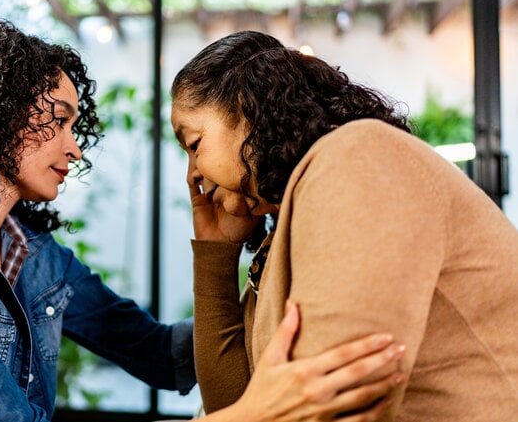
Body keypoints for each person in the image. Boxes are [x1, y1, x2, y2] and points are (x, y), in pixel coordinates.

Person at [0, 19, 403, 422]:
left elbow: (157, 354)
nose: (75, 149)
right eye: (60, 121)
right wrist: (258, 414)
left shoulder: (30, 252)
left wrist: (226, 261)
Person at [170, 30, 518, 422]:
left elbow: (334, 409)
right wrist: (216, 256)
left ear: (246, 106)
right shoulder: (285, 226)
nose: (193, 176)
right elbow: (242, 407)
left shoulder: (357, 158)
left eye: (194, 144)